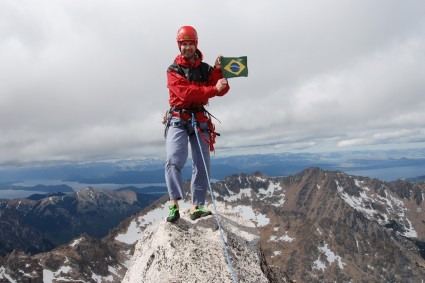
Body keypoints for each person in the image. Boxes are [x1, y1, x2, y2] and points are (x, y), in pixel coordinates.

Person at [163, 26, 230, 222]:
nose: (187, 47)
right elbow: (186, 93)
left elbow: (222, 89)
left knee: (202, 165)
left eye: (190, 43)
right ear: (179, 46)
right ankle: (174, 204)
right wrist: (211, 88)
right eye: (184, 44)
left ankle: (196, 206)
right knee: (174, 159)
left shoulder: (206, 69)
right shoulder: (173, 70)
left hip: (198, 120)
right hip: (179, 119)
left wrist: (218, 71)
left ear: (196, 44)